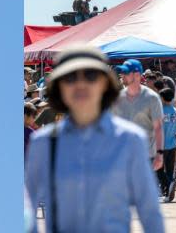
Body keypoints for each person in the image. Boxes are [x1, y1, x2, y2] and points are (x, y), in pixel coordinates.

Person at [25, 47, 164, 233]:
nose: (80, 84)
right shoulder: (43, 144)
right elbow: (26, 210)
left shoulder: (129, 140)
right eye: (70, 77)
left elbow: (150, 211)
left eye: (90, 76)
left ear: (105, 84)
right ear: (58, 87)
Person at [111, 59, 165, 176]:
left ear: (136, 75)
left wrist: (159, 153)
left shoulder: (152, 98)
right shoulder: (119, 98)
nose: (122, 75)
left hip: (146, 154)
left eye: (126, 73)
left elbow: (158, 127)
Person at [159, 87, 176, 202]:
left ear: (162, 98)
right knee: (169, 169)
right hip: (172, 144)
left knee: (158, 169)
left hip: (161, 144)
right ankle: (167, 192)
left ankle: (168, 185)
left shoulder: (160, 111)